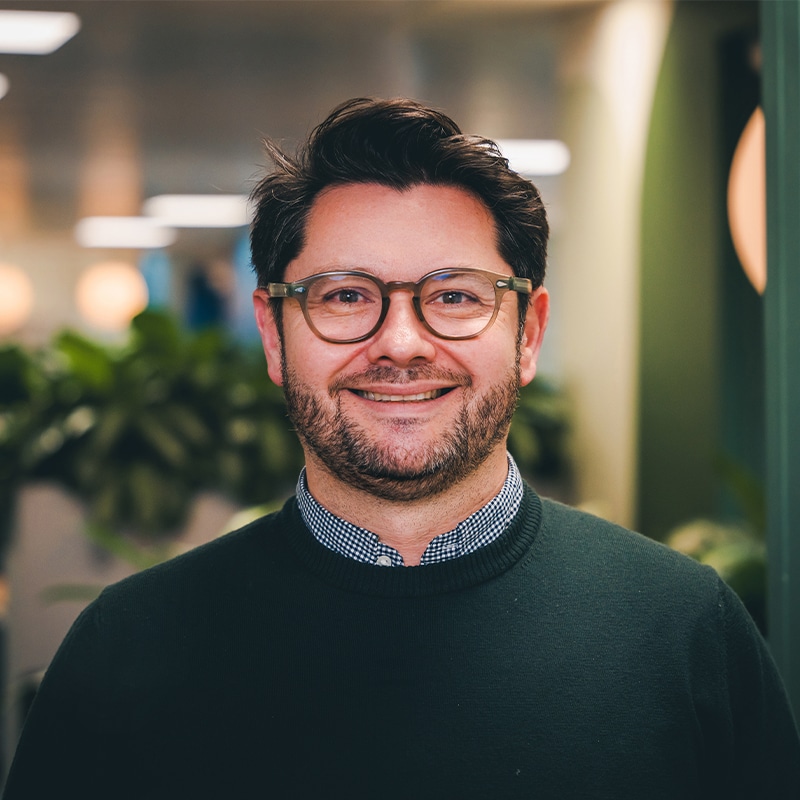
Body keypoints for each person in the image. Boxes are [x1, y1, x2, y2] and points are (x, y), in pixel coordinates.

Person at [3, 98, 799, 799]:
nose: (403, 343)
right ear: (275, 337)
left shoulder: (686, 631)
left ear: (529, 333)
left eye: (454, 296)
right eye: (347, 296)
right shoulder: (127, 648)